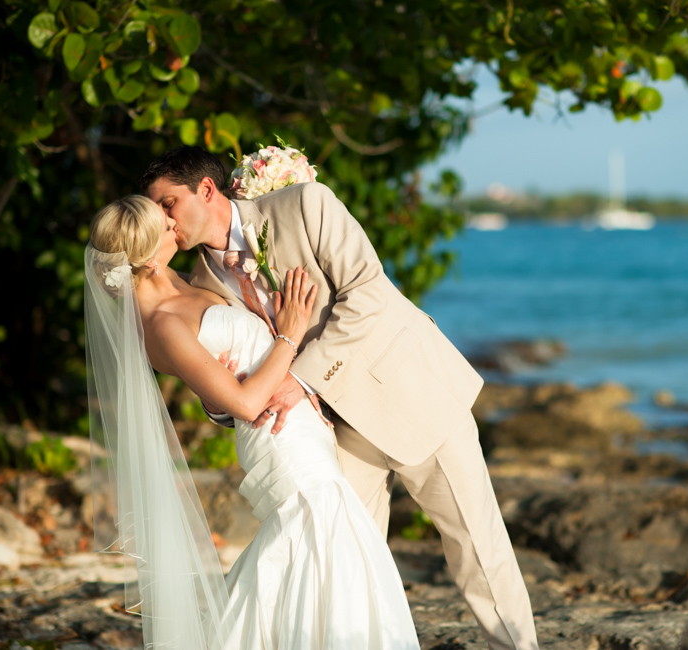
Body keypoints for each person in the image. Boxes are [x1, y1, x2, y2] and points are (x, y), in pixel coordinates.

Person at [139, 146, 539, 650]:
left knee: (479, 555)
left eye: (168, 204)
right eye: (154, 210)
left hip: (411, 393)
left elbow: (368, 293)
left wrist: (300, 379)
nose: (164, 221)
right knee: (350, 572)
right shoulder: (200, 283)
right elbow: (225, 379)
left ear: (206, 189)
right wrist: (223, 401)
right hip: (328, 436)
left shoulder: (306, 205)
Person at [84, 195, 420, 649]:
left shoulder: (182, 282)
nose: (173, 222)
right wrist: (291, 332)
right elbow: (242, 404)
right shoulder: (161, 324)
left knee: (315, 549)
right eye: (164, 224)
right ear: (145, 256)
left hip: (297, 421)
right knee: (319, 537)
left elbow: (239, 351)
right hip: (276, 436)